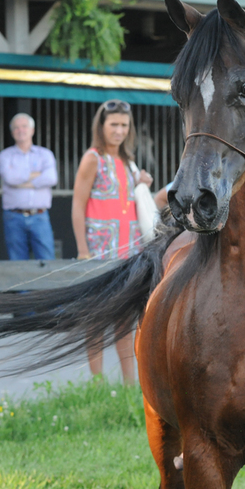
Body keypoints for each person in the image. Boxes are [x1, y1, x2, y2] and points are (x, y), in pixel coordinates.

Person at [71, 99, 152, 385]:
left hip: (129, 251)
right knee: (95, 319)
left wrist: (144, 185)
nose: (119, 131)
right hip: (99, 251)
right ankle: (98, 383)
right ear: (101, 126)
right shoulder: (93, 158)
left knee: (125, 321)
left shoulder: (129, 163)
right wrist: (83, 250)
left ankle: (130, 384)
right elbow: (78, 204)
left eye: (124, 125)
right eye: (113, 124)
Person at [0, 113, 58, 260]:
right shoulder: (5, 155)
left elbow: (51, 178)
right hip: (14, 216)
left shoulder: (45, 154)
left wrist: (23, 182)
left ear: (32, 130)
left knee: (47, 260)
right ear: (12, 132)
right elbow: (10, 178)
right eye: (16, 128)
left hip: (40, 215)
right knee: (17, 262)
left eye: (24, 126)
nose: (20, 130)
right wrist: (37, 175)